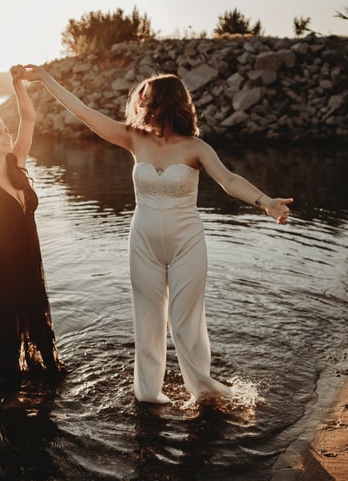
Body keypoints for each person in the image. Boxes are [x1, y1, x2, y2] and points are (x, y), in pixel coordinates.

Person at [23, 66, 293, 404]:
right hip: (143, 244)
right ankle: (149, 395)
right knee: (148, 323)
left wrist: (266, 202)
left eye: (147, 100)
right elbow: (84, 113)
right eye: (142, 99)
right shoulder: (134, 138)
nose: (141, 104)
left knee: (184, 324)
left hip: (187, 244)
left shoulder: (196, 147)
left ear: (166, 104)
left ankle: (205, 393)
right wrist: (47, 78)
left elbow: (229, 180)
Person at [0, 65, 63, 392]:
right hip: (2, 269)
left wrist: (17, 85)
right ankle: (7, 400)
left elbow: (30, 119)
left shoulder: (17, 165)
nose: (8, 135)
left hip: (30, 263)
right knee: (7, 338)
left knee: (38, 327)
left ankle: (45, 387)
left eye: (7, 131)